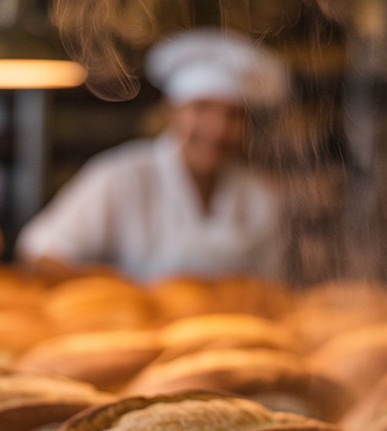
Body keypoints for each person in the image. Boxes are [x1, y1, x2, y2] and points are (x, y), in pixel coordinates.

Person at [16, 29, 288, 279]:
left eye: (235, 115)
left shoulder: (259, 196)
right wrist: (117, 296)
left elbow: (270, 288)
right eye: (202, 109)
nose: (217, 129)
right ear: (172, 111)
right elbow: (39, 251)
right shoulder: (122, 176)